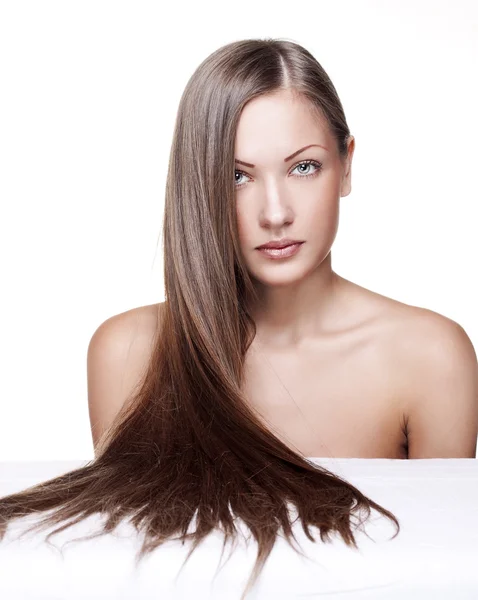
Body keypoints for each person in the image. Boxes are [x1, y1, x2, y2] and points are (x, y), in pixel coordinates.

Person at [1, 38, 477, 600]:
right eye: (237, 176)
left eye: (304, 167)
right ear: (197, 186)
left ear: (347, 166)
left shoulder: (429, 358)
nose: (275, 212)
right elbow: (128, 566)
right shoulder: (127, 353)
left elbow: (444, 572)